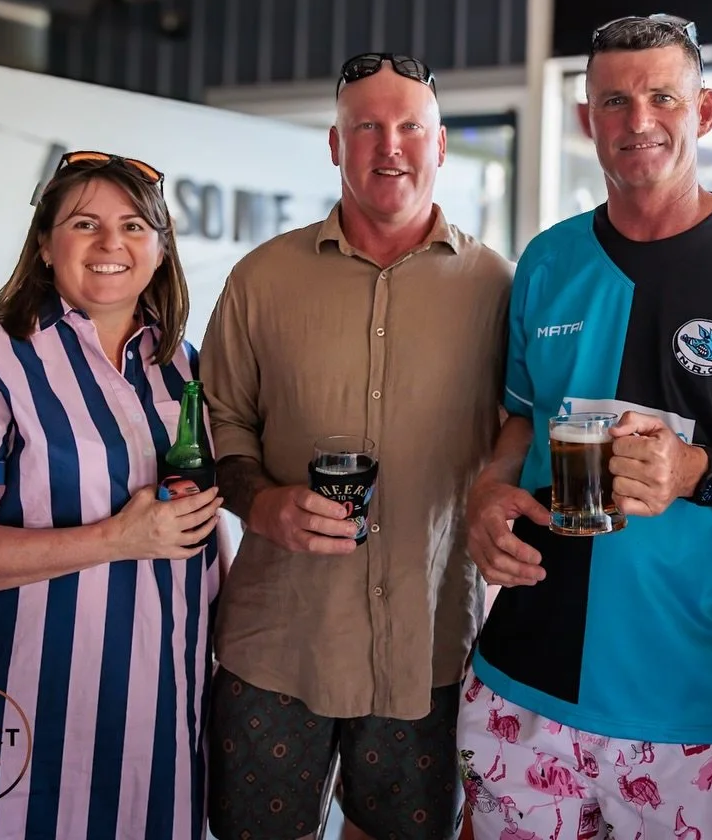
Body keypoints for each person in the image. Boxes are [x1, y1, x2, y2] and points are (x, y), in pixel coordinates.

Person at [459, 14, 712, 839]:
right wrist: (488, 494)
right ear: (586, 119)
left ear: (702, 111)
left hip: (698, 694)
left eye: (661, 97)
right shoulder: (549, 260)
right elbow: (521, 423)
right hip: (527, 671)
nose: (637, 122)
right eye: (613, 101)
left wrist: (696, 469)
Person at [200, 52, 513, 840]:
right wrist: (262, 504)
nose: (389, 145)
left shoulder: (498, 289)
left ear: (441, 146)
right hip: (278, 643)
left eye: (411, 125)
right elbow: (220, 426)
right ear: (335, 147)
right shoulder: (261, 280)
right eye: (365, 127)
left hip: (427, 648)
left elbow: (522, 431)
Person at [0, 150, 221, 840]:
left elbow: (201, 527)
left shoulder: (182, 368)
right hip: (14, 712)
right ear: (44, 245)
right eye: (84, 224)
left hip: (156, 714)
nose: (110, 244)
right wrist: (117, 538)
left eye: (133, 226)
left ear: (160, 250)